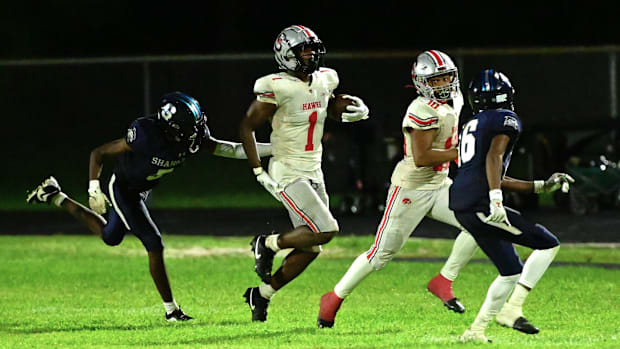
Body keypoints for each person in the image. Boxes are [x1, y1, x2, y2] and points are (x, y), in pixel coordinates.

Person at [26, 91, 271, 322]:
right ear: (172, 128)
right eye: (189, 128)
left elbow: (233, 149)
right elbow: (98, 153)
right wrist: (93, 188)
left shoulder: (191, 138)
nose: (196, 133)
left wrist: (275, 149)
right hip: (123, 188)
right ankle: (171, 311)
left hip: (141, 190)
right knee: (154, 243)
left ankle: (55, 195)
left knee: (111, 237)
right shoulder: (145, 134)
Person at [318, 49, 474, 328]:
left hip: (439, 185)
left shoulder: (456, 98)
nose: (443, 85)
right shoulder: (420, 109)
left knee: (479, 222)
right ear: (422, 83)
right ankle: (333, 298)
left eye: (446, 78)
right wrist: (462, 151)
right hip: (411, 190)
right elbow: (423, 156)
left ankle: (443, 281)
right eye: (436, 80)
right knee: (380, 255)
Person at [239, 25, 370, 322]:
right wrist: (257, 169)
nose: (310, 55)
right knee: (327, 228)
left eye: (313, 49)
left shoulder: (326, 78)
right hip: (287, 169)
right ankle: (267, 243)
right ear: (286, 54)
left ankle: (261, 295)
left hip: (313, 168)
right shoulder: (276, 85)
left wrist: (350, 109)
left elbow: (327, 108)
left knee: (312, 247)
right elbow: (246, 126)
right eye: (303, 50)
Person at [449, 70, 573, 343]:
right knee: (548, 244)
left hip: (463, 203)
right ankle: (513, 307)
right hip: (481, 204)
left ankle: (475, 331)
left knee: (510, 270)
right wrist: (495, 198)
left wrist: (540, 186)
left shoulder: (472, 122)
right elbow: (495, 156)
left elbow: (491, 171)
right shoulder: (505, 119)